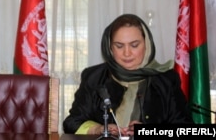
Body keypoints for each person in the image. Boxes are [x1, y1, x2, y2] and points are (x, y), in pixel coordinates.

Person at [63, 14, 193, 136]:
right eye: (119, 46)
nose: (127, 53)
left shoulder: (166, 80)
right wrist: (98, 129)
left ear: (146, 44)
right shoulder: (94, 77)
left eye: (134, 45)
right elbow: (71, 122)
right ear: (110, 48)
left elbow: (186, 129)